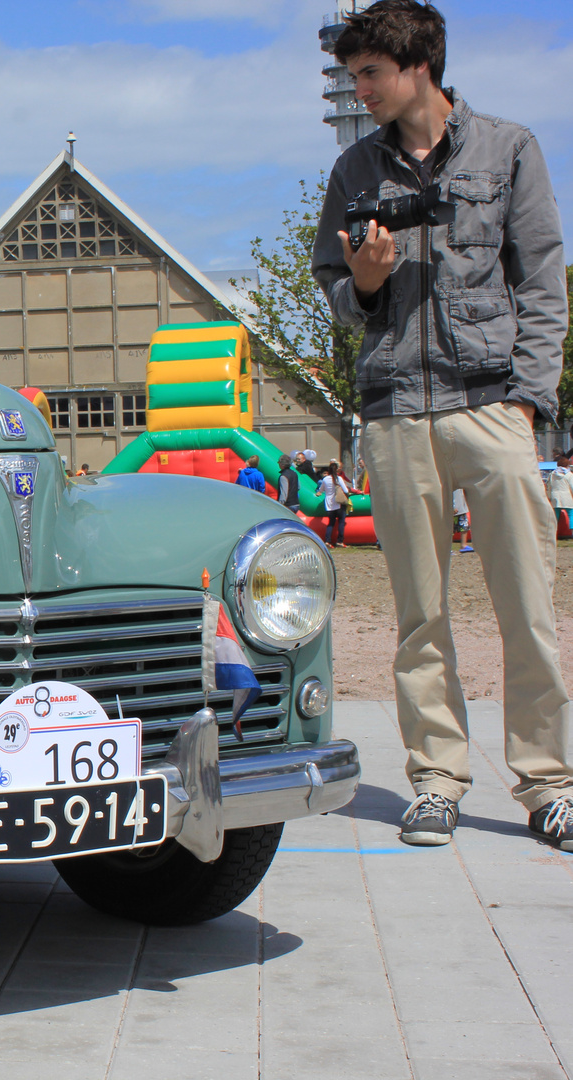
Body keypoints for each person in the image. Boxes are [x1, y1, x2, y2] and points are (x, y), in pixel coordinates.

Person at [313, 0, 573, 850]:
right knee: (419, 616)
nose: (359, 89)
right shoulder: (353, 169)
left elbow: (542, 283)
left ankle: (547, 785)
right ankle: (436, 781)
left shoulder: (510, 149)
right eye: (352, 76)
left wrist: (529, 401)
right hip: (394, 413)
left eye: (369, 74)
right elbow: (340, 300)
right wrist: (368, 281)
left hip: (491, 404)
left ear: (417, 66)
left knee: (527, 607)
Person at [318, 461, 351, 547]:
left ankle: (327, 541)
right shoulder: (338, 479)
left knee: (331, 523)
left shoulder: (325, 479)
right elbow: (346, 490)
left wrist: (318, 493)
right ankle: (340, 541)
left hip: (329, 503)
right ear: (337, 470)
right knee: (341, 522)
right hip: (339, 503)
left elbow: (321, 490)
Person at [548, 452, 573, 535]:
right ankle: (572, 532)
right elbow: (572, 486)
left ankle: (553, 533)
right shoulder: (569, 475)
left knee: (555, 517)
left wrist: (548, 496)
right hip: (567, 496)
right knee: (571, 514)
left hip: (555, 496)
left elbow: (549, 486)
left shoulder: (552, 474)